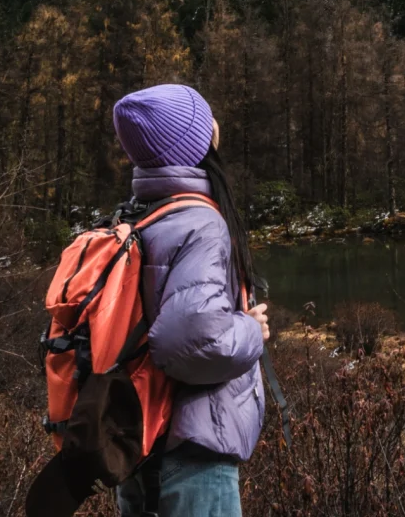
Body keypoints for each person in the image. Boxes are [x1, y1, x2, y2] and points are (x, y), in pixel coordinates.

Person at [110, 83, 269, 517]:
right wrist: (250, 329)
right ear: (191, 143)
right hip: (193, 455)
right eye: (205, 120)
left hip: (141, 446)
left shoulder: (140, 215)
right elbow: (195, 342)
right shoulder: (201, 223)